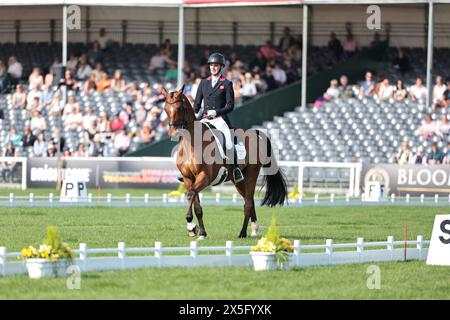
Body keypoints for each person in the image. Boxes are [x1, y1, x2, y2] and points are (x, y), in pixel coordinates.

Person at [191, 52, 244, 183]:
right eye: (211, 65)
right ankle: (188, 170)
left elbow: (231, 106)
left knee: (229, 141)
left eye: (216, 65)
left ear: (221, 67)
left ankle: (236, 169)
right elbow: (197, 104)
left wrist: (217, 112)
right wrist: (193, 115)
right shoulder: (203, 83)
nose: (213, 68)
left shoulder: (226, 83)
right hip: (205, 119)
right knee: (190, 139)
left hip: (220, 119)